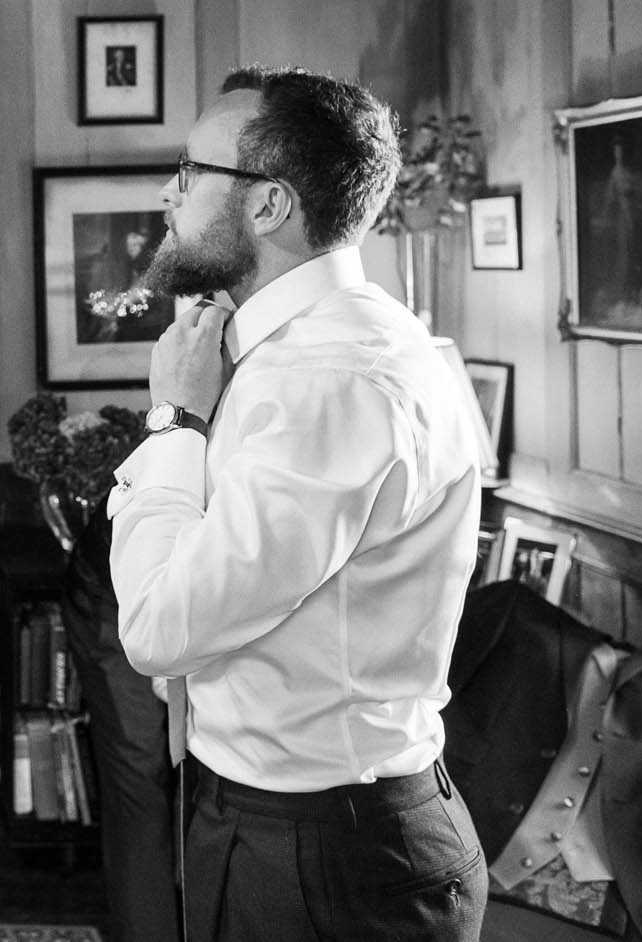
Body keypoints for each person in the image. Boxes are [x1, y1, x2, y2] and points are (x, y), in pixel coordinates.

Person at [107, 65, 490, 941]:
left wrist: (174, 422)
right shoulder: (302, 353)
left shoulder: (327, 380)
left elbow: (161, 629)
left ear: (270, 205)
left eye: (191, 170)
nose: (169, 191)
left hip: (326, 856)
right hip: (282, 825)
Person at [60, 508, 182, 942]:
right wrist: (165, 655)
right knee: (141, 779)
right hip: (114, 595)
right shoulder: (188, 455)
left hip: (201, 596)